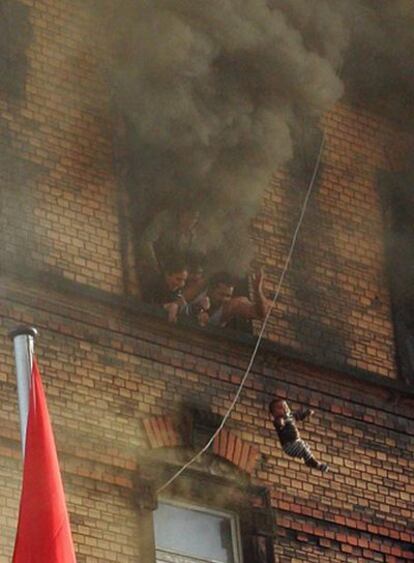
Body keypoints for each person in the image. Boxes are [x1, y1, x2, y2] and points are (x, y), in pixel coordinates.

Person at [138, 203, 201, 279]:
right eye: (189, 217)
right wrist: (154, 264)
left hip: (170, 272)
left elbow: (183, 258)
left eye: (195, 218)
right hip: (151, 263)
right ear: (182, 214)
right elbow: (146, 241)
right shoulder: (164, 220)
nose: (192, 221)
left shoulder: (191, 236)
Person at [190, 268, 270, 328]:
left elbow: (260, 314)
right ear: (210, 290)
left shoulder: (230, 306)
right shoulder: (198, 288)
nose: (224, 299)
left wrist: (257, 290)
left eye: (228, 296)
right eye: (221, 294)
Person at [269, 398, 329, 473]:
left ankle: (308, 460)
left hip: (296, 442)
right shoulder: (279, 419)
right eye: (280, 408)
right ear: (274, 413)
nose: (284, 409)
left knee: (305, 446)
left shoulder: (290, 416)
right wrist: (280, 423)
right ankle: (315, 464)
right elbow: (278, 424)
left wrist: (306, 413)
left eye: (285, 406)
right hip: (289, 445)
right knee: (302, 447)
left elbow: (299, 416)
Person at [142, 256, 189, 323]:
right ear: (167, 275)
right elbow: (144, 306)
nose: (181, 284)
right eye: (178, 279)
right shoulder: (152, 284)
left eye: (184, 280)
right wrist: (165, 307)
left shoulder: (178, 292)